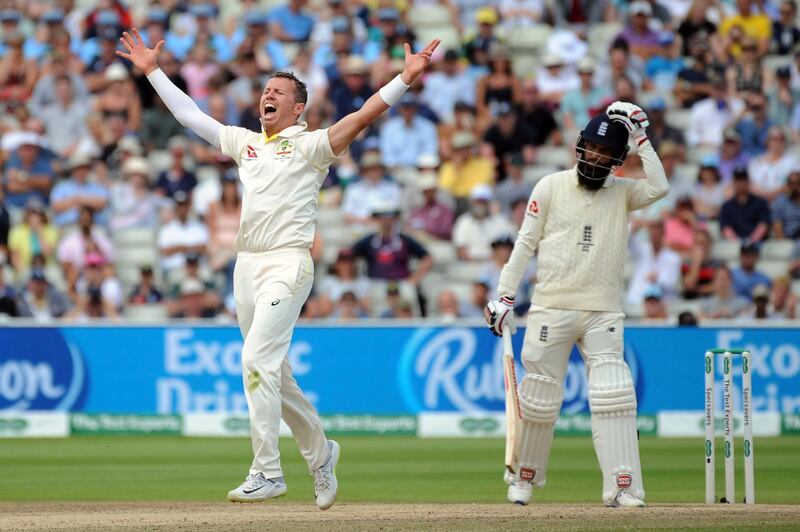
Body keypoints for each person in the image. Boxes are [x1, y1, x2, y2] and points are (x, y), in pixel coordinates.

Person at [117, 27, 440, 508]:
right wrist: (154, 72)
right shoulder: (246, 144)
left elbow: (360, 116)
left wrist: (403, 80)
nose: (267, 94)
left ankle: (266, 471)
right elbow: (190, 115)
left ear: (297, 109)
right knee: (275, 375)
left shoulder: (310, 147)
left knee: (254, 361)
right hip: (245, 267)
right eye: (265, 90)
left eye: (279, 92)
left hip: (288, 263)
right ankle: (321, 454)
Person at [484, 102, 668, 507]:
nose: (596, 158)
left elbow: (659, 187)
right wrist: (503, 295)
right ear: (580, 146)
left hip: (602, 311)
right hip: (551, 307)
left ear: (619, 161)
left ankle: (622, 487)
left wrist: (640, 138)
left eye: (606, 154)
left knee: (614, 394)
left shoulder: (622, 193)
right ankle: (524, 478)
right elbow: (524, 244)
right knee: (539, 397)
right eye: (592, 149)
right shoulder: (550, 186)